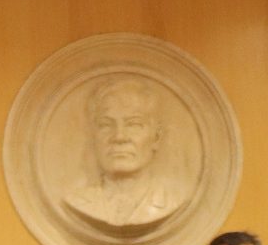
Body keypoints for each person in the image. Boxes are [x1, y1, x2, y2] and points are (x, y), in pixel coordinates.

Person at [63, 77, 187, 234]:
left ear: (156, 137)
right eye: (106, 125)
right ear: (93, 136)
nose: (119, 137)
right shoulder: (76, 201)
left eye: (133, 124)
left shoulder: (172, 202)